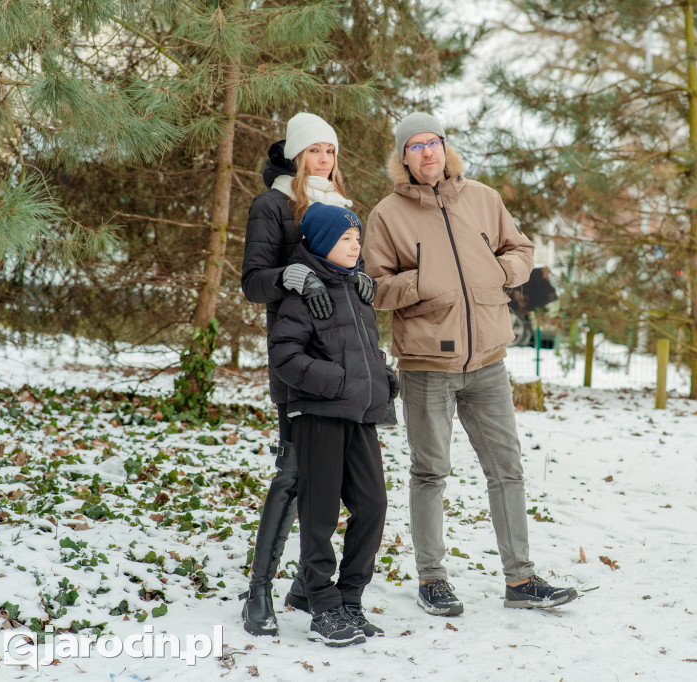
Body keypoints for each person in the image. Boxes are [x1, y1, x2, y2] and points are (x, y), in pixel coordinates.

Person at [362, 112, 578, 615]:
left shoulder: (482, 198)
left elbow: (521, 249)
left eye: (433, 142)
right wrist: (423, 281)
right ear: (403, 158)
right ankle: (432, 578)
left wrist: (501, 271)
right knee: (431, 472)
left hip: (489, 362)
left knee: (507, 470)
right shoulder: (386, 215)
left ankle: (521, 580)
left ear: (445, 147)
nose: (427, 152)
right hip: (426, 365)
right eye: (415, 146)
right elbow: (373, 286)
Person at [239, 112, 374, 636]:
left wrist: (362, 281)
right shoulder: (272, 205)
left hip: (344, 367)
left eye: (331, 151)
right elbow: (253, 282)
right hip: (299, 362)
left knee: (334, 483)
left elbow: (345, 261)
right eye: (315, 151)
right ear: (296, 155)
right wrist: (287, 276)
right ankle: (259, 590)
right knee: (294, 475)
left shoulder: (339, 208)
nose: (325, 160)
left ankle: (305, 589)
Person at [268, 202, 396, 647]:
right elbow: (284, 356)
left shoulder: (357, 290)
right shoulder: (304, 292)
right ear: (323, 242)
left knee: (373, 504)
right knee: (319, 515)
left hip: (360, 417)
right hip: (320, 415)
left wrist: (383, 378)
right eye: (346, 238)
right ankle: (322, 605)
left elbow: (365, 350)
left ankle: (350, 598)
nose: (356, 244)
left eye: (357, 238)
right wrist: (337, 382)